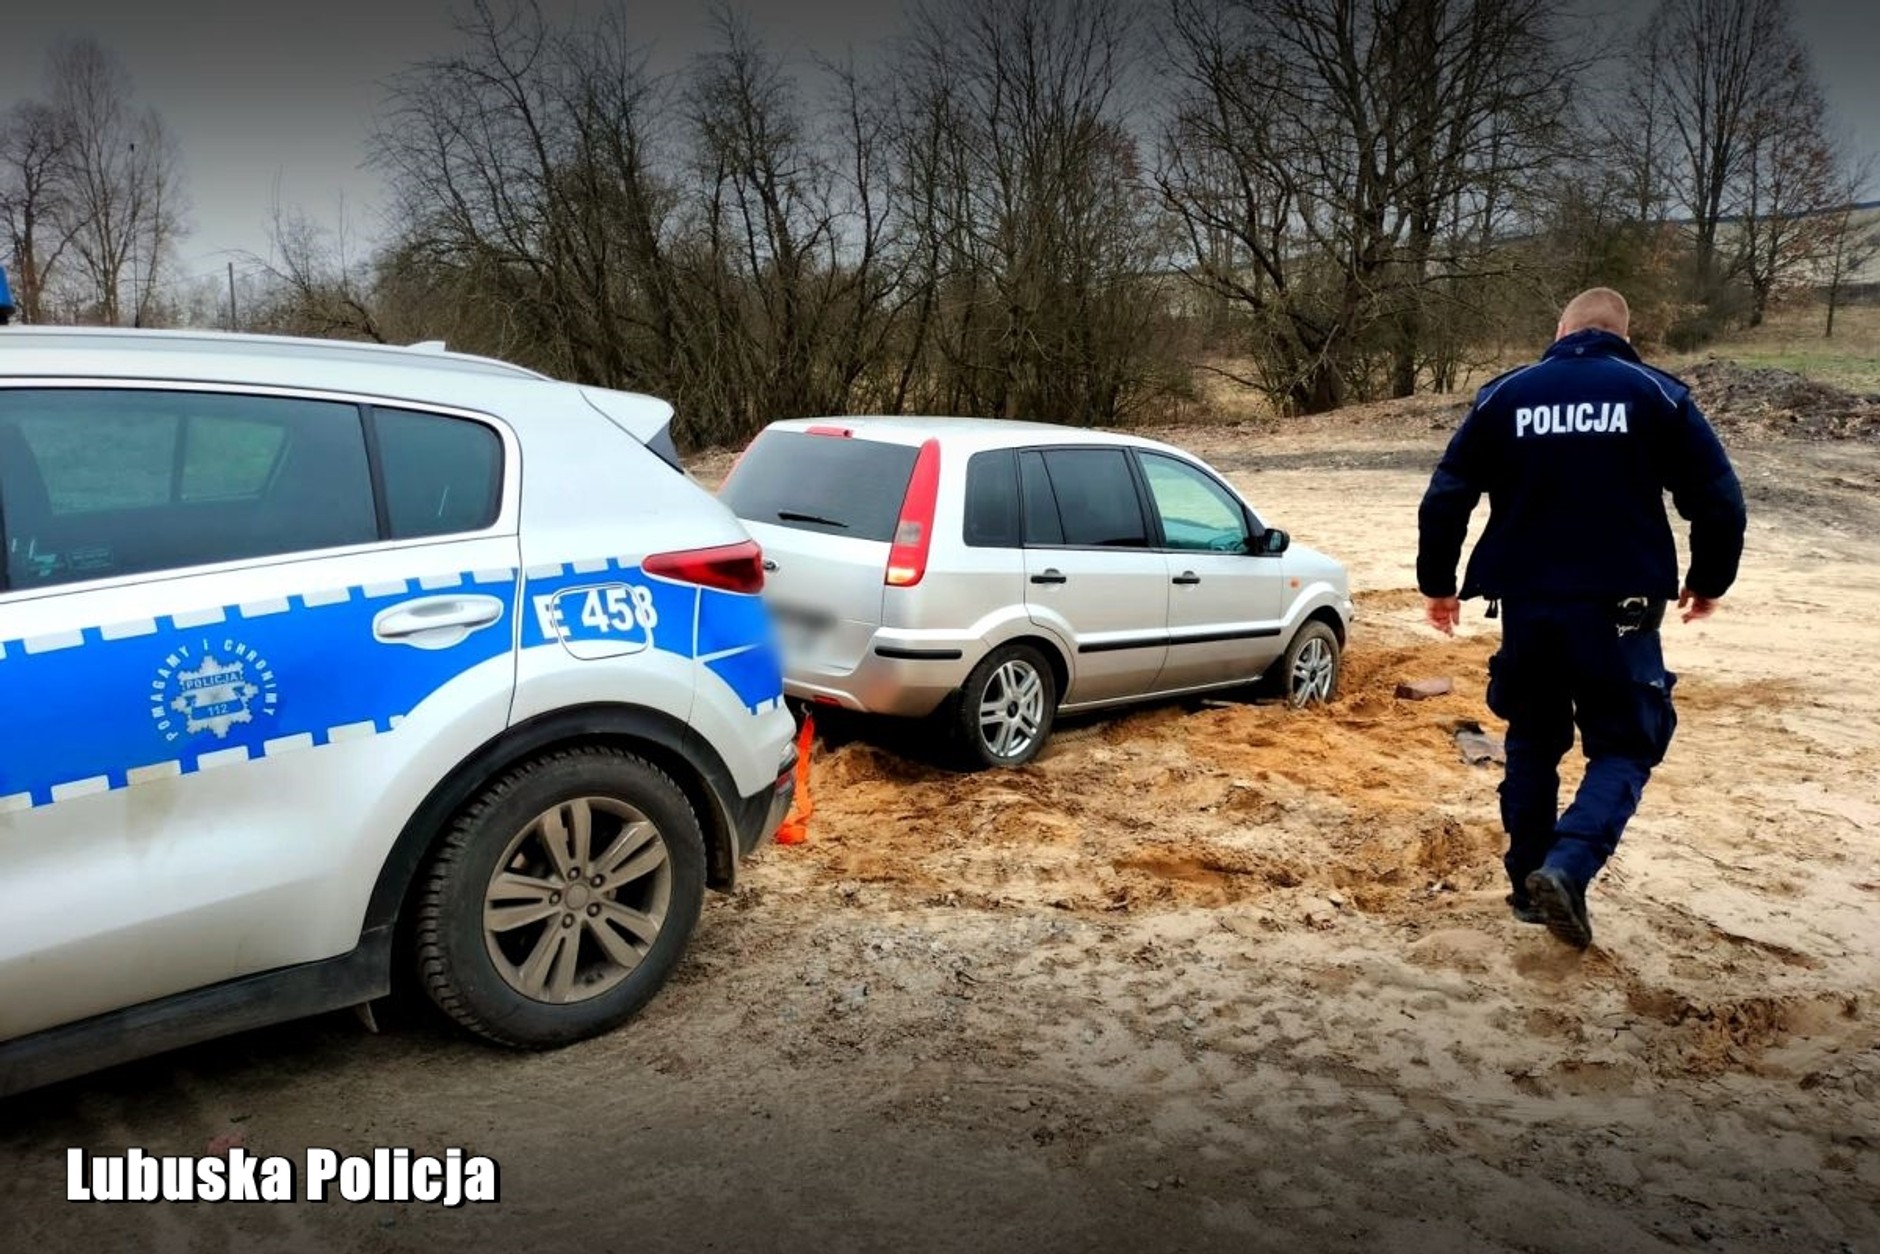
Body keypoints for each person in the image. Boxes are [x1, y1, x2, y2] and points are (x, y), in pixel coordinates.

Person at [1415, 287, 1746, 950]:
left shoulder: (1505, 395)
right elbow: (1718, 501)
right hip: (1618, 613)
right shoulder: (1656, 395)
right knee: (1624, 745)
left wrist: (1440, 585)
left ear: (1561, 328)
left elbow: (1446, 497)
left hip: (1530, 609)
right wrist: (1708, 581)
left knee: (1534, 741)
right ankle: (1567, 867)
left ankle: (1526, 884)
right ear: (1625, 335)